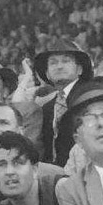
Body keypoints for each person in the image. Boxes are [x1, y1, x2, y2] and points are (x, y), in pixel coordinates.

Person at [32, 39, 93, 167]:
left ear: (79, 69)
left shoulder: (90, 98)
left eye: (66, 61)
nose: (59, 66)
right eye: (53, 63)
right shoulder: (47, 108)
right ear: (47, 74)